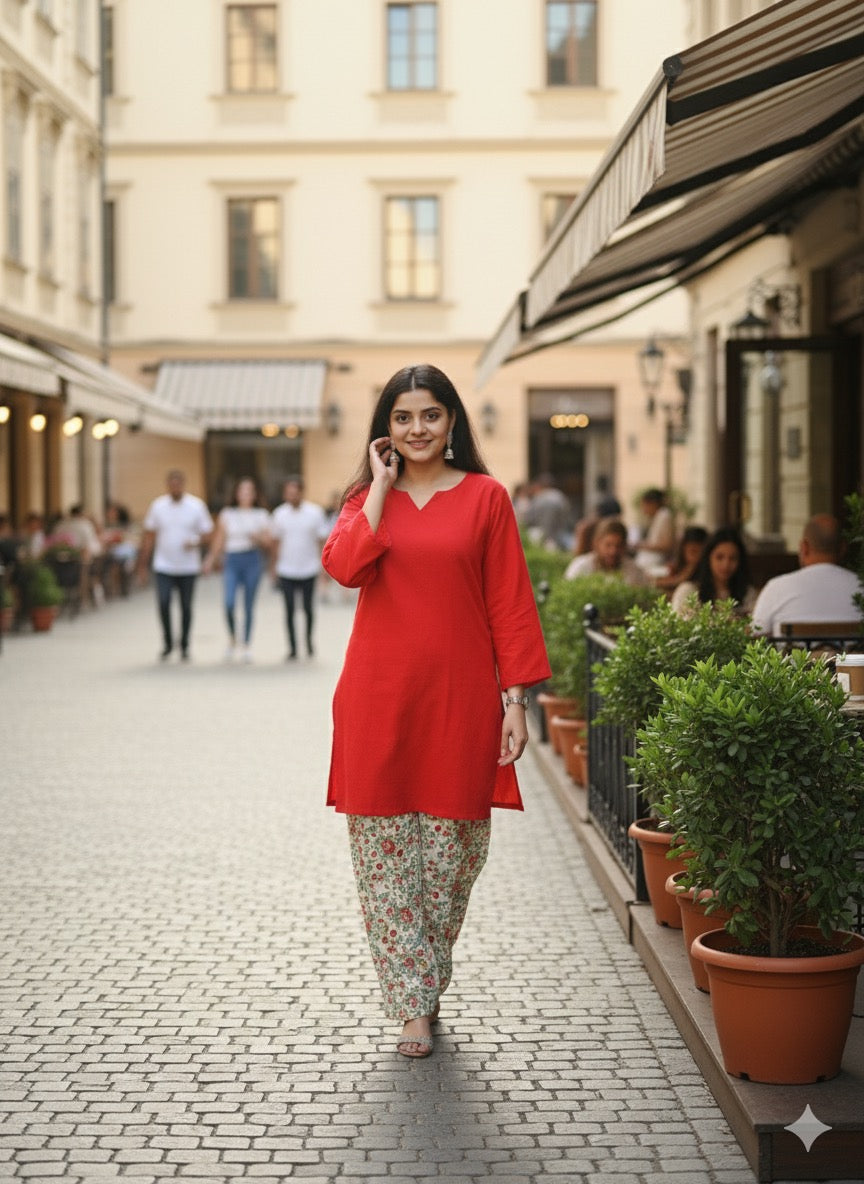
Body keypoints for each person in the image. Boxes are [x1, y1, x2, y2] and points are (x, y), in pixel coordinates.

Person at [321, 363, 550, 1059]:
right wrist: (381, 492)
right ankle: (413, 1005)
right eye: (402, 418)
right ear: (384, 429)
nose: (416, 429)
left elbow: (509, 602)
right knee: (386, 862)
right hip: (377, 699)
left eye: (429, 415)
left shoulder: (485, 497)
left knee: (453, 859)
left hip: (461, 699)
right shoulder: (366, 498)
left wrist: (516, 701)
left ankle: (421, 975)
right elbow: (343, 567)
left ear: (452, 421)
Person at [137, 470, 213, 661]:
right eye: (172, 485)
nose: (175, 488)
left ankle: (185, 644)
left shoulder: (196, 506)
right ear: (167, 486)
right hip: (163, 565)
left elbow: (208, 534)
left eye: (178, 485)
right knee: (163, 603)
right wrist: (142, 565)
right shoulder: (158, 506)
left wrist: (195, 542)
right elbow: (149, 536)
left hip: (188, 566)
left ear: (183, 485)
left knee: (186, 606)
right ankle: (168, 643)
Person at [750, 513, 861, 637]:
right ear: (843, 548)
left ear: (804, 547)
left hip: (793, 657)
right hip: (851, 657)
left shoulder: (776, 588)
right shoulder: (860, 586)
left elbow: (755, 636)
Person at [203, 477, 271, 661]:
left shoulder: (261, 514)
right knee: (229, 602)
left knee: (248, 604)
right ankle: (233, 638)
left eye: (249, 491)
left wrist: (257, 537)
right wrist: (210, 559)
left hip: (252, 559)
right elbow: (219, 540)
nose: (245, 494)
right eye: (242, 490)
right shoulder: (227, 514)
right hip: (232, 559)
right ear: (236, 493)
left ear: (254, 494)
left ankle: (247, 644)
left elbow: (268, 542)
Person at [269, 477, 329, 659]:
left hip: (309, 568)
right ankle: (293, 647)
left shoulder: (315, 512)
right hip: (286, 569)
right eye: (288, 493)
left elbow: (322, 541)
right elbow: (275, 543)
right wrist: (273, 568)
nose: (291, 496)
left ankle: (309, 642)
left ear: (301, 492)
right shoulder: (279, 514)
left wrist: (324, 568)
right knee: (289, 611)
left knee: (308, 609)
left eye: (294, 493)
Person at [670, 526, 756, 616]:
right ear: (708, 558)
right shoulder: (689, 591)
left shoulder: (748, 594)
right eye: (719, 557)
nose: (726, 564)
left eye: (733, 558)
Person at [564, 517, 651, 586]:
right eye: (608, 545)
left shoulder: (633, 571)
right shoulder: (580, 567)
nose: (613, 551)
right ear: (597, 544)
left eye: (618, 545)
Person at [655, 524, 708, 594]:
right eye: (693, 551)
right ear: (683, 549)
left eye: (701, 552)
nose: (697, 556)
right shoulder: (678, 567)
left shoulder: (705, 573)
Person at [525, 473, 572, 550]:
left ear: (539, 486)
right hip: (561, 535)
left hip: (544, 537)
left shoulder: (539, 498)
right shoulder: (560, 496)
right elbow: (567, 517)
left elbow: (529, 519)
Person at [634, 488, 676, 570]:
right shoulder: (659, 516)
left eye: (644, 505)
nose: (643, 509)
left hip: (657, 560)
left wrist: (642, 546)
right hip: (651, 558)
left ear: (653, 504)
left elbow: (667, 545)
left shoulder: (664, 516)